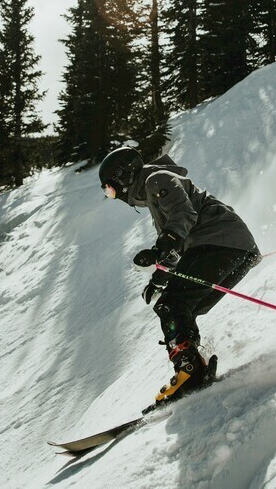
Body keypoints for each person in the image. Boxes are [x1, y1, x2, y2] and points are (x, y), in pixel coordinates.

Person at [98, 147, 261, 408]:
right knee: (184, 307)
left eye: (110, 190)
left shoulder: (156, 180)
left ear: (124, 176)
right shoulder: (155, 193)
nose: (113, 197)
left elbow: (183, 216)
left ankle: (190, 371)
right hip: (237, 249)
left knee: (172, 305)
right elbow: (177, 243)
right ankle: (194, 364)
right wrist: (160, 277)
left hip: (220, 242)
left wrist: (159, 249)